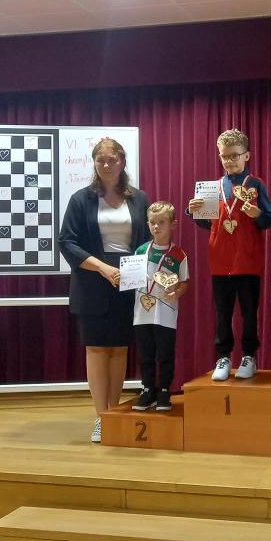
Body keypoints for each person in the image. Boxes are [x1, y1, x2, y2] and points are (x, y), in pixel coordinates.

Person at [59, 138, 150, 443]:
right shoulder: (80, 199)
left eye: (112, 159)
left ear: (122, 161)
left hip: (128, 281)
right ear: (94, 163)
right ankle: (101, 417)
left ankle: (114, 414)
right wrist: (102, 268)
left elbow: (148, 240)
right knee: (97, 349)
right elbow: (67, 242)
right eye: (101, 160)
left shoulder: (139, 198)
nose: (107, 165)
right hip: (92, 281)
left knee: (119, 348)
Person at [187, 128, 271, 381]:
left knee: (249, 313)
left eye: (235, 155)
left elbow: (269, 219)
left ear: (247, 155)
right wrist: (194, 211)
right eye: (224, 156)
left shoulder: (256, 185)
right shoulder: (213, 187)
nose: (229, 161)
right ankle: (223, 356)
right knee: (222, 314)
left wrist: (256, 214)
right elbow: (208, 224)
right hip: (220, 262)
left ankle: (249, 355)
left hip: (248, 262)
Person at [132, 201, 189, 412]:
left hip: (166, 313)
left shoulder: (179, 255)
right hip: (141, 313)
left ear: (173, 224)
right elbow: (132, 278)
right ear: (148, 224)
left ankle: (164, 390)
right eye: (152, 222)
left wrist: (177, 292)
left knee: (165, 353)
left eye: (162, 222)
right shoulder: (140, 251)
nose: (156, 227)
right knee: (145, 353)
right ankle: (148, 389)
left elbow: (184, 283)